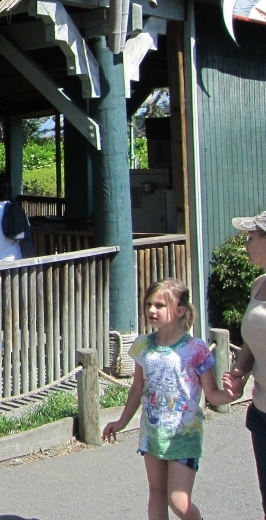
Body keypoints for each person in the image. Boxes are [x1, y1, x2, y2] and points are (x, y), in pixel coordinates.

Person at [103, 278, 235, 520]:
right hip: (152, 432)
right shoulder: (143, 344)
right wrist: (121, 422)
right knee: (156, 492)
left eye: (160, 306)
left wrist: (230, 394)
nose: (151, 310)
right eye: (148, 304)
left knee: (179, 503)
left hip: (184, 435)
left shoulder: (196, 348)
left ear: (180, 311)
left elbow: (213, 393)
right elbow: (137, 388)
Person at [223, 211, 266, 518]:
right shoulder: (259, 285)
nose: (246, 244)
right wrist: (239, 371)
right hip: (262, 413)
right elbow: (252, 339)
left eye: (252, 237)